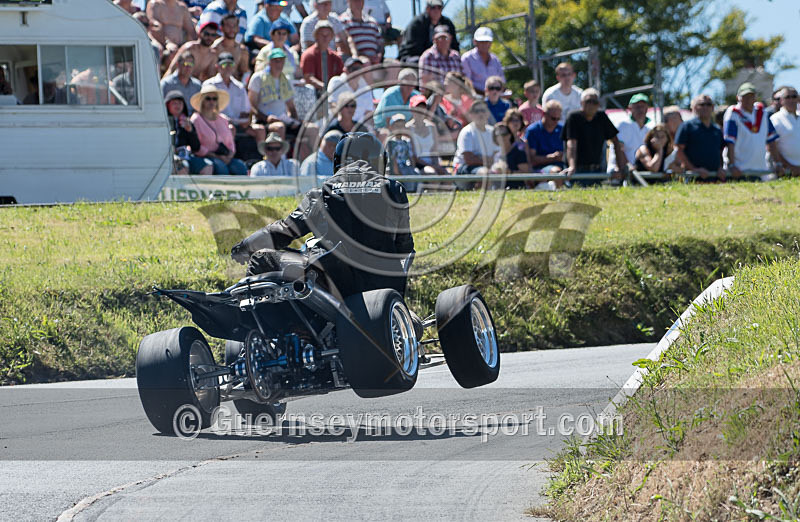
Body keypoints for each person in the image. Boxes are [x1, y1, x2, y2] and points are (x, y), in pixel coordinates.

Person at [230, 132, 414, 299]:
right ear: (380, 161)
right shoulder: (394, 189)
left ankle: (249, 324)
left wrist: (245, 247)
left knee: (262, 257)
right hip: (384, 286)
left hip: (336, 284)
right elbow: (405, 247)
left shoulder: (323, 191)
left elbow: (284, 231)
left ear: (338, 160)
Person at [561, 88, 626, 182]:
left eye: (594, 102)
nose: (591, 105)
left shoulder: (602, 117)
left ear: (598, 104)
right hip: (577, 171)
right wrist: (572, 166)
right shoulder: (573, 117)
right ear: (581, 103)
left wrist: (621, 168)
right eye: (588, 101)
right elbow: (571, 144)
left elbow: (616, 142)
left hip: (597, 170)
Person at [723, 82, 784, 179]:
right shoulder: (733, 113)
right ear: (738, 98)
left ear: (755, 97)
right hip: (739, 170)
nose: (747, 100)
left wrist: (778, 163)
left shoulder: (763, 113)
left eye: (750, 96)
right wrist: (732, 165)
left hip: (761, 170)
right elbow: (730, 141)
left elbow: (771, 140)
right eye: (744, 97)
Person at [189, 84, 249, 174]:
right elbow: (196, 145)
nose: (212, 101)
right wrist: (215, 156)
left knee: (241, 167)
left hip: (225, 156)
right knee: (222, 169)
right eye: (208, 98)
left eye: (214, 99)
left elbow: (230, 143)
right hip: (206, 156)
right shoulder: (196, 119)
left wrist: (229, 156)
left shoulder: (223, 119)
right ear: (202, 101)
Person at [248, 47, 300, 143]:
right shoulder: (258, 78)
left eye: (281, 60)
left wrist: (295, 121)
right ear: (269, 62)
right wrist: (266, 118)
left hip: (283, 120)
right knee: (279, 127)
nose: (279, 64)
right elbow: (251, 106)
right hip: (263, 121)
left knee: (309, 129)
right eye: (276, 60)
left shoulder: (286, 80)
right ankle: (281, 156)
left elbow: (291, 107)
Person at [203, 52, 254, 147]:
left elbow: (246, 111)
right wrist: (223, 120)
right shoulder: (209, 85)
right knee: (230, 128)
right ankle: (229, 156)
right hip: (216, 124)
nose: (228, 67)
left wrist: (245, 119)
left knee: (260, 131)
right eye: (224, 64)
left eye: (231, 64)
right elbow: (205, 110)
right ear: (217, 66)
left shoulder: (240, 86)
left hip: (239, 125)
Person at [674, 94, 725, 181]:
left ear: (713, 108)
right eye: (701, 104)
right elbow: (679, 150)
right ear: (694, 107)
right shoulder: (686, 126)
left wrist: (720, 167)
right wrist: (693, 169)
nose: (705, 107)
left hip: (715, 178)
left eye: (709, 104)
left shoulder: (717, 129)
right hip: (693, 178)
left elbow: (720, 152)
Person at [165, 90, 213, 175]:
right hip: (168, 157)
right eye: (174, 103)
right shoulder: (163, 122)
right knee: (183, 166)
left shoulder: (187, 122)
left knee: (207, 166)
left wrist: (190, 131)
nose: (177, 106)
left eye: (180, 103)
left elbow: (196, 147)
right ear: (167, 105)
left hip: (186, 156)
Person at [607, 93, 653, 175]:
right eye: (637, 107)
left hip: (641, 174)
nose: (640, 109)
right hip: (620, 173)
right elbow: (619, 148)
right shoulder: (623, 126)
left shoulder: (650, 129)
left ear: (647, 108)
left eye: (643, 106)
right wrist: (628, 167)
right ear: (630, 108)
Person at [453, 100, 500, 176]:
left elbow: (497, 153)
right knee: (485, 173)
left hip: (486, 166)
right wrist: (488, 161)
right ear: (471, 115)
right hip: (464, 168)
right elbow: (469, 159)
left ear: (488, 113)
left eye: (483, 110)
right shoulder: (467, 132)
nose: (480, 114)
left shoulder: (492, 131)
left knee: (502, 168)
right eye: (476, 111)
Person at [300, 20, 345, 92]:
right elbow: (308, 77)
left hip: (332, 92)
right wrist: (325, 87)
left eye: (328, 35)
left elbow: (341, 75)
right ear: (316, 36)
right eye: (322, 34)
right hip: (316, 93)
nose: (325, 37)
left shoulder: (335, 57)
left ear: (331, 37)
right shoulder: (309, 54)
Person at [407, 95, 447, 175]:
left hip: (432, 164)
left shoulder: (432, 127)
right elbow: (414, 157)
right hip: (417, 166)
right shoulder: (407, 128)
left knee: (447, 177)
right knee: (432, 174)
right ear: (411, 110)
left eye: (423, 108)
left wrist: (436, 165)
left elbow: (435, 151)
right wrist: (432, 167)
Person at [327, 56, 374, 122]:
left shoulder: (366, 88)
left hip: (360, 128)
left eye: (359, 69)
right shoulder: (336, 82)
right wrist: (345, 125)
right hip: (338, 126)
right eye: (353, 69)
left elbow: (369, 113)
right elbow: (332, 105)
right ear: (345, 70)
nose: (356, 72)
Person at [461, 27, 504, 96]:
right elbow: (467, 83)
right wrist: (486, 94)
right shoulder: (467, 58)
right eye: (481, 42)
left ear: (490, 43)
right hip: (475, 98)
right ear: (475, 42)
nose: (484, 44)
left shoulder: (495, 59)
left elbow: (502, 81)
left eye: (487, 42)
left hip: (495, 97)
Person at [340, 0, 383, 65]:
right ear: (348, 1)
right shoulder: (342, 20)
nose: (358, 3)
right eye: (355, 1)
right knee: (366, 62)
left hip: (377, 60)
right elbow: (343, 44)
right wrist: (362, 56)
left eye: (360, 0)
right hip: (355, 60)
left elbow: (380, 43)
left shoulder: (372, 21)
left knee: (394, 65)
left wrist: (379, 55)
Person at [769, 86, 800, 176]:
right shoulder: (775, 119)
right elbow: (771, 146)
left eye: (794, 96)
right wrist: (790, 166)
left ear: (798, 99)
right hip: (786, 172)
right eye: (787, 97)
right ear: (781, 100)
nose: (791, 100)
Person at [211, 13, 251, 80]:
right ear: (221, 28)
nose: (231, 29)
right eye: (228, 26)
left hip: (234, 86)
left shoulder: (242, 50)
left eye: (234, 26)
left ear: (238, 28)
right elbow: (210, 72)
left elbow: (245, 72)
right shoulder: (215, 48)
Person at [493, 122, 529, 188]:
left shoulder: (519, 152)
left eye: (504, 134)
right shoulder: (496, 155)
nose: (501, 137)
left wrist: (510, 172)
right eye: (498, 135)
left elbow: (526, 175)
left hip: (516, 189)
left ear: (509, 135)